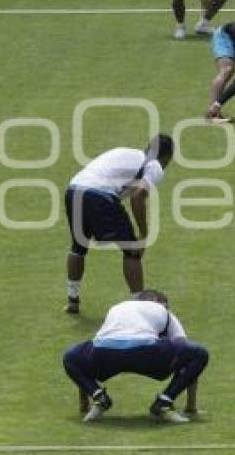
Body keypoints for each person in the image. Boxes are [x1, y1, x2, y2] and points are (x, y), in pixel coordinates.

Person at [63, 134, 174, 314]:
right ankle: (140, 306)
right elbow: (138, 198)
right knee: (132, 250)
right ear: (167, 158)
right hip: (99, 195)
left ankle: (72, 300)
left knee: (78, 246)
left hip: (74, 189)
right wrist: (143, 235)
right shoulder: (154, 165)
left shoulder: (126, 153)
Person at [62, 290, 208, 423]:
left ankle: (99, 398)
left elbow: (85, 360)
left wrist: (85, 402)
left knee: (71, 356)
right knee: (198, 353)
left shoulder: (117, 308)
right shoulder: (164, 310)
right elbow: (185, 352)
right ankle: (164, 402)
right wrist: (191, 407)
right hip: (145, 352)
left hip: (104, 353)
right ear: (158, 302)